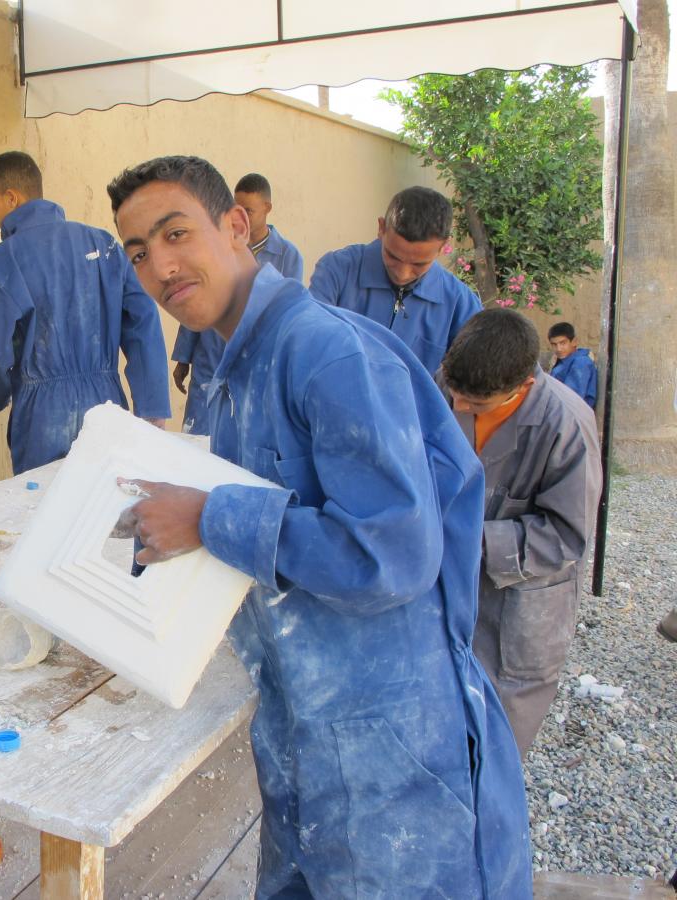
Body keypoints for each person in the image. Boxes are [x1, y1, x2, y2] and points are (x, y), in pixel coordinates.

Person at [106, 156, 530, 899]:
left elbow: (395, 552)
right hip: (304, 729)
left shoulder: (324, 351)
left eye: (175, 234)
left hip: (389, 748)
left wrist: (208, 516)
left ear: (236, 225)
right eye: (138, 252)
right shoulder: (234, 370)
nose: (160, 267)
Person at [440, 309, 602, 756]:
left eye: (476, 405)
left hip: (520, 606)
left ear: (524, 385)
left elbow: (566, 535)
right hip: (449, 590)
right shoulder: (446, 385)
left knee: (497, 745)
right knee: (440, 731)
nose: (459, 409)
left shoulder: (567, 426)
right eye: (455, 395)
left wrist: (468, 538)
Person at [0, 151, 170, 474]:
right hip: (107, 407)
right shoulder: (105, 246)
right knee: (105, 499)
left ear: (11, 198)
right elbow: (143, 323)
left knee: (45, 500)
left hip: (42, 418)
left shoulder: (1, 262)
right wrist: (151, 405)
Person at [171, 173, 303, 435]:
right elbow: (196, 297)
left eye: (249, 210)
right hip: (209, 361)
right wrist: (184, 357)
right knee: (197, 442)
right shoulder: (216, 244)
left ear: (267, 208)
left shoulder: (288, 257)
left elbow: (289, 315)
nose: (239, 215)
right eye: (235, 207)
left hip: (255, 364)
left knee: (242, 440)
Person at [309, 185, 481, 375]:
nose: (403, 274)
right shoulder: (337, 271)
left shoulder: (460, 304)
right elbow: (311, 343)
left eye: (418, 264)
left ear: (443, 247)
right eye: (393, 256)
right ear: (381, 228)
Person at [547, 321, 598, 409]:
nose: (558, 349)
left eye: (563, 343)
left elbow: (571, 399)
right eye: (554, 344)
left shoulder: (581, 362)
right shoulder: (563, 361)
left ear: (574, 342)